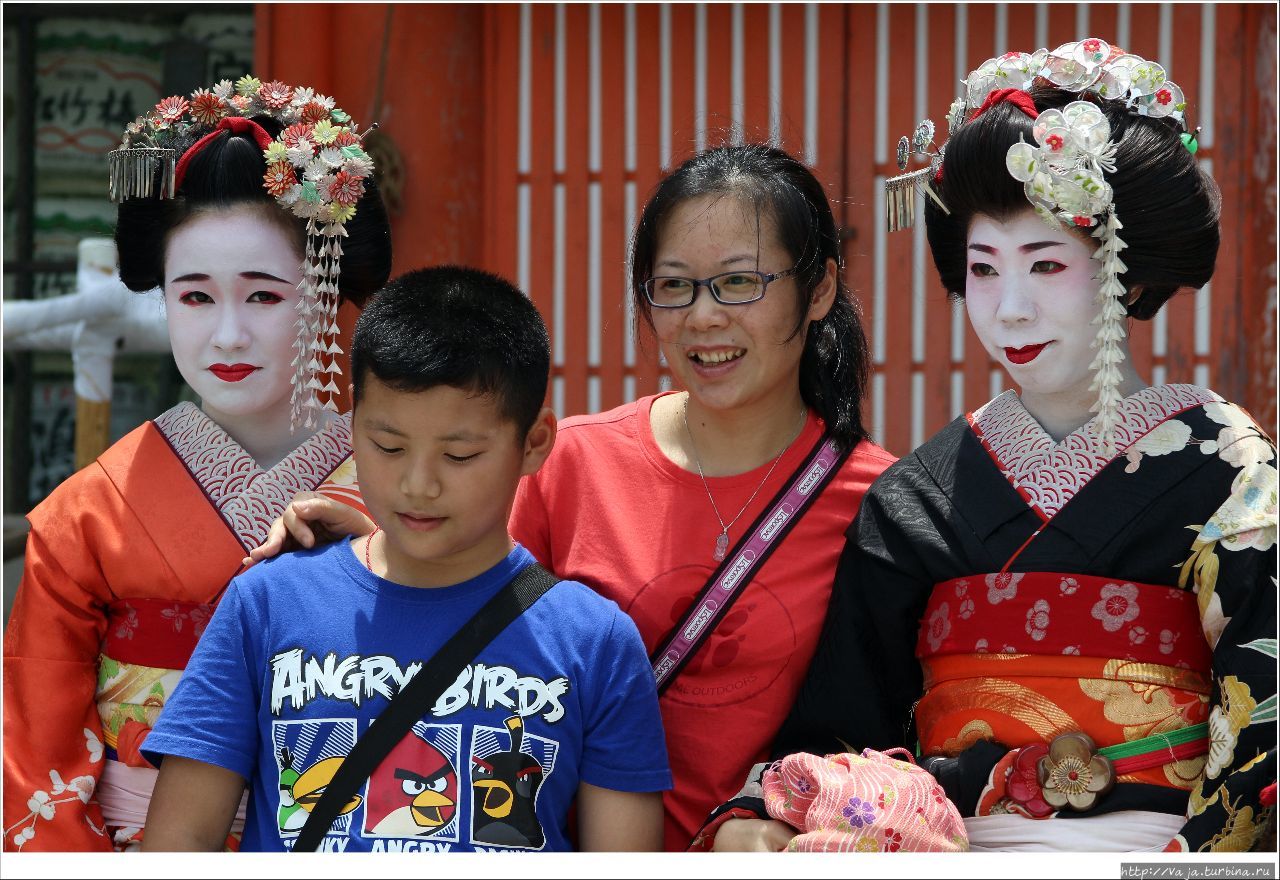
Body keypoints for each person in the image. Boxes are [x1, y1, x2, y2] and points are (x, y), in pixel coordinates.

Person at [705, 40, 1276, 853]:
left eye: (1045, 265)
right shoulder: (918, 495)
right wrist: (767, 809)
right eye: (983, 268)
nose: (1008, 309)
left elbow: (1269, 722)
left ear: (1135, 276)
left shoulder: (1231, 471)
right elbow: (846, 729)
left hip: (1159, 850)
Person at [246, 144, 897, 849]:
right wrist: (378, 543)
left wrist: (763, 817)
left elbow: (874, 739)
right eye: (673, 286)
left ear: (821, 289)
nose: (704, 317)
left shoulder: (879, 504)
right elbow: (469, 612)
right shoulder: (572, 461)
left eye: (739, 282)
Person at [139, 266, 671, 853]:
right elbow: (179, 840)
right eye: (387, 446)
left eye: (460, 455)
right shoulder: (266, 604)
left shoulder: (595, 642)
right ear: (353, 424)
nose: (418, 485)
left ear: (535, 443)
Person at [2, 75, 392, 851]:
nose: (226, 337)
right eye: (194, 298)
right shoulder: (88, 512)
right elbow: (32, 754)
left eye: (262, 297)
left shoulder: (405, 488)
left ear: (325, 289)